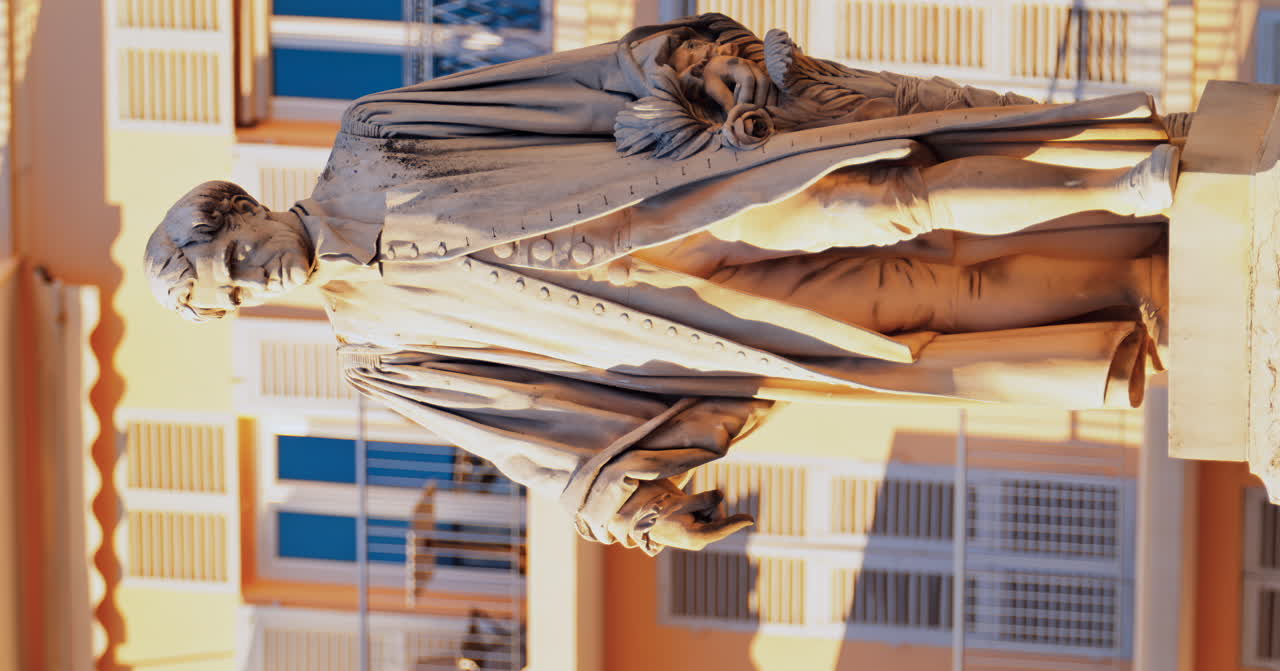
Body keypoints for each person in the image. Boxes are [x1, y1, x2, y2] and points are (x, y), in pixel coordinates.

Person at [144, 14, 1176, 554]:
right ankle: (1136, 279)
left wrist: (666, 62)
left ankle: (1121, 184)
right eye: (234, 296)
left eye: (232, 256)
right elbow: (518, 435)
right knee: (923, 307)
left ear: (244, 209)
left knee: (882, 199)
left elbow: (542, 91)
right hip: (683, 318)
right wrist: (635, 509)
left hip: (682, 200)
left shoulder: (372, 139)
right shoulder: (381, 355)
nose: (253, 278)